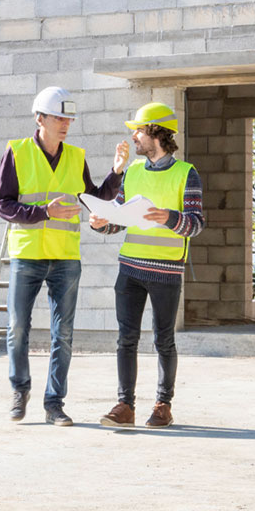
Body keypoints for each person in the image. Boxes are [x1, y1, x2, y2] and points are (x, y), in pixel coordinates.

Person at [0, 86, 128, 426]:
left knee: (63, 334)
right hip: (27, 255)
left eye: (68, 118)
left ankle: (54, 403)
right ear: (39, 118)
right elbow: (4, 205)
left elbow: (94, 199)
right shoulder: (17, 152)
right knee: (17, 328)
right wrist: (44, 212)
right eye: (58, 117)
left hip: (66, 258)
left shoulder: (75, 156)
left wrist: (116, 173)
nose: (65, 123)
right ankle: (19, 388)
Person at [90, 102, 205, 428]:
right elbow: (121, 220)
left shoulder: (187, 173)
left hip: (167, 271)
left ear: (156, 133)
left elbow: (196, 224)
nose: (134, 136)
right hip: (130, 269)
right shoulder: (134, 172)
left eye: (138, 130)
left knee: (163, 340)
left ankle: (162, 405)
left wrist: (168, 217)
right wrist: (103, 223)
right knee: (126, 339)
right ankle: (125, 406)